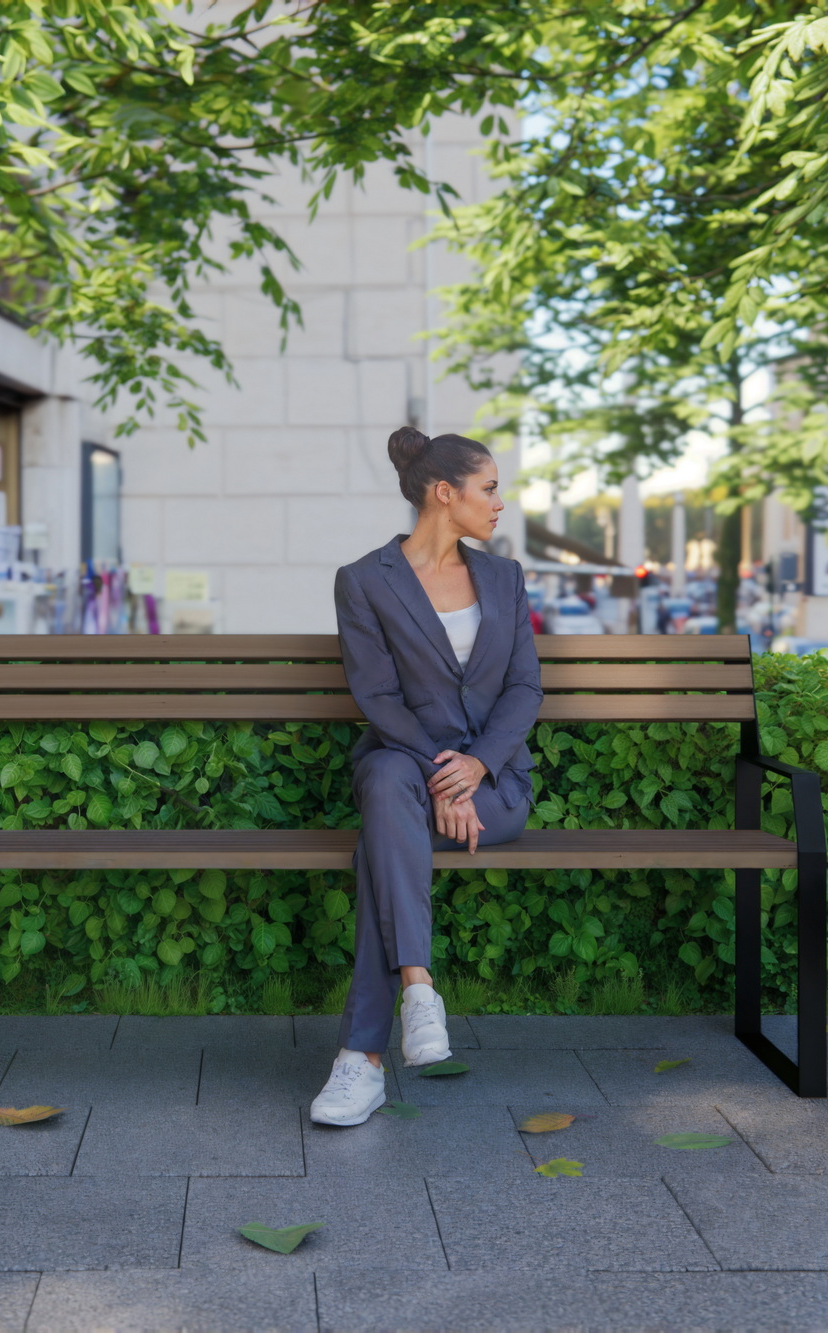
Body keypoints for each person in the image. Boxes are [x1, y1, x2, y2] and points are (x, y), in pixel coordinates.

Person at [312, 426, 543, 1126]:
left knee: (382, 838)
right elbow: (377, 698)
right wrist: (445, 776)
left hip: (495, 787)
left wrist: (474, 769)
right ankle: (417, 991)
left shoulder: (503, 576)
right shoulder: (364, 581)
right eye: (490, 488)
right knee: (386, 782)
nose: (500, 503)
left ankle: (361, 1058)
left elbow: (525, 688)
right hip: (411, 771)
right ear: (446, 494)